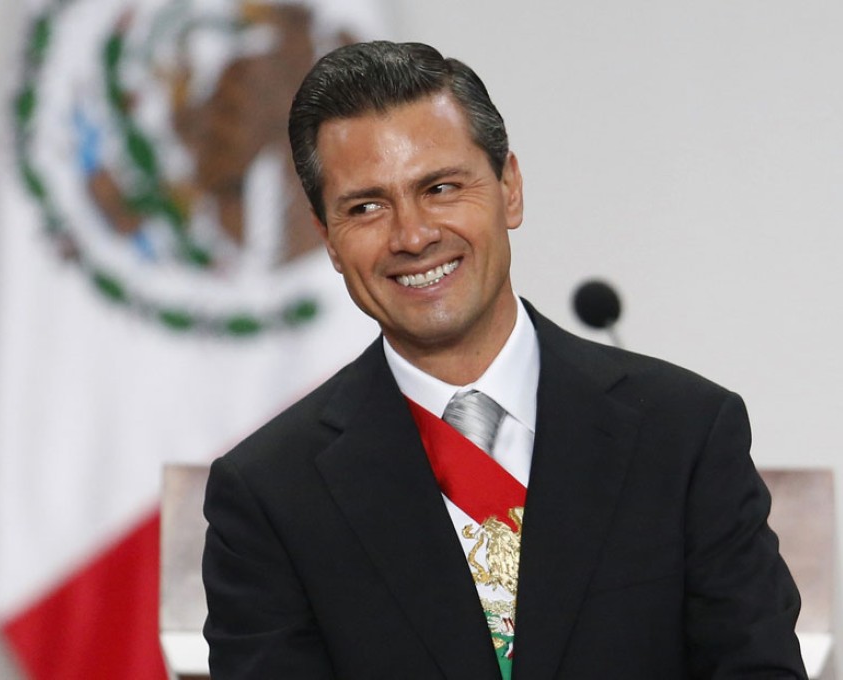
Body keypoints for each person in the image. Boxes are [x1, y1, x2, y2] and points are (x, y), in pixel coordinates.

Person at [201, 40, 806, 679]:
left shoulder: (683, 434)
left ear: (509, 189)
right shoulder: (269, 493)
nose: (412, 236)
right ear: (327, 237)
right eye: (367, 207)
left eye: (439, 187)